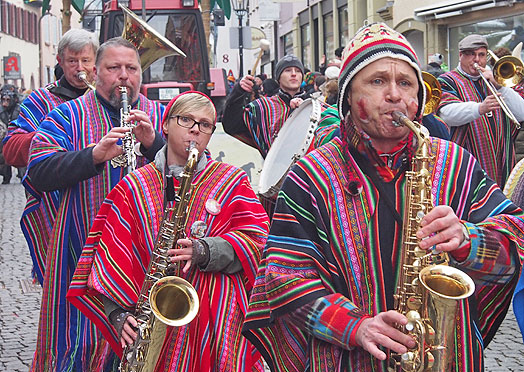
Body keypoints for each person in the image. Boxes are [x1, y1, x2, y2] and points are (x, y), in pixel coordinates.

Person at [242, 23, 524, 372]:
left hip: (447, 356)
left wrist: (469, 238)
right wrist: (354, 326)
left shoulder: (456, 163)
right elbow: (284, 275)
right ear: (347, 95)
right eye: (377, 82)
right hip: (346, 361)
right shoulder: (311, 174)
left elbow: (516, 242)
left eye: (405, 83)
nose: (394, 95)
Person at [67, 91, 269, 371]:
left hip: (217, 326)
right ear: (165, 124)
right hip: (147, 324)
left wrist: (206, 250)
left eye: (206, 124)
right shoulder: (133, 186)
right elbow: (105, 259)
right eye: (186, 119)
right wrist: (115, 314)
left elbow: (259, 241)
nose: (196, 129)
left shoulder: (232, 181)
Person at [25, 37, 165, 372]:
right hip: (82, 249)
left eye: (131, 68)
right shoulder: (68, 115)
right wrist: (93, 156)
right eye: (113, 68)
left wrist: (154, 144)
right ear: (96, 73)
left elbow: (195, 171)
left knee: (147, 343)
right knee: (79, 342)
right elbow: (38, 170)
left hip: (146, 253)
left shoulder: (159, 114)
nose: (123, 76)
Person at [2, 29, 99, 287]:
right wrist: (50, 139)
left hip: (102, 206)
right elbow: (10, 148)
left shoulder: (107, 99)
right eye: (72, 61)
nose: (81, 68)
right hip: (57, 211)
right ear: (59, 61)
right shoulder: (41, 100)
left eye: (86, 61)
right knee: (63, 285)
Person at [437, 34, 524, 188]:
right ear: (461, 56)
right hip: (469, 162)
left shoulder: (494, 80)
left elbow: (521, 112)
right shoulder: (448, 80)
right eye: (471, 54)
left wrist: (501, 86)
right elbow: (446, 114)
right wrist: (479, 108)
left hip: (502, 162)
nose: (477, 60)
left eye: (481, 55)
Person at [222, 54, 308, 154]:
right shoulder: (261, 107)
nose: (294, 74)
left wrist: (303, 109)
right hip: (275, 167)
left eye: (298, 71)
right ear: (278, 78)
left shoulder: (314, 107)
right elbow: (231, 126)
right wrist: (238, 91)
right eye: (288, 70)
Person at [0, 84, 20, 184]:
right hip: (4, 135)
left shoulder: (20, 109)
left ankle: (22, 174)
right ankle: (6, 176)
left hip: (17, 135)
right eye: (3, 100)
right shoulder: (1, 110)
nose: (5, 103)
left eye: (8, 100)